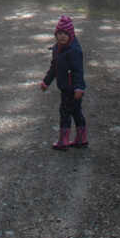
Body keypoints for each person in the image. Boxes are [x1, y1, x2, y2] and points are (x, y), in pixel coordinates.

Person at [40, 14, 87, 150]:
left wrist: (79, 88)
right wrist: (46, 82)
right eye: (59, 33)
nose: (62, 36)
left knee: (65, 112)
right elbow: (53, 69)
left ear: (71, 35)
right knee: (75, 112)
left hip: (72, 89)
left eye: (65, 34)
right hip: (67, 88)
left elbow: (78, 71)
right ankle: (81, 138)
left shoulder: (74, 50)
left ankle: (64, 141)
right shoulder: (58, 49)